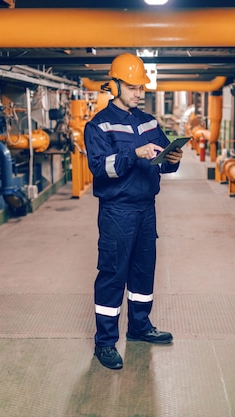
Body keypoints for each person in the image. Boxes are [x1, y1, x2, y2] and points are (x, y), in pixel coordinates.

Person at [83, 53, 183, 370]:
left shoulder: (149, 122)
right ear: (114, 85)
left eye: (142, 88)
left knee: (143, 271)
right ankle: (105, 343)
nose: (139, 93)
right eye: (132, 87)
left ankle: (139, 326)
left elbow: (165, 162)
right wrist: (134, 152)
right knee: (113, 275)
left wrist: (173, 158)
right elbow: (100, 168)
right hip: (117, 211)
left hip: (145, 209)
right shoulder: (98, 125)